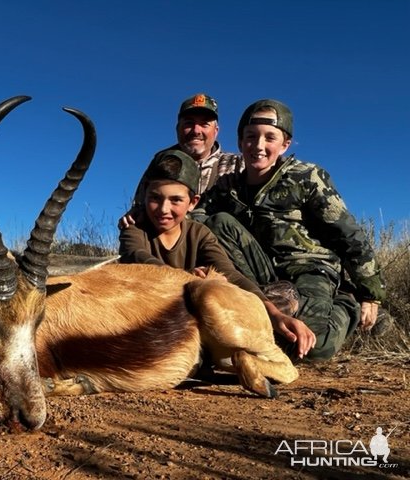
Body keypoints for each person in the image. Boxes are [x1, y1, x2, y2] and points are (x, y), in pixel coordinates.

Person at [195, 99, 386, 360]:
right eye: (250, 137)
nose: (259, 146)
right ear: (240, 142)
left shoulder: (307, 177)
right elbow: (194, 220)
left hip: (310, 270)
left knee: (314, 349)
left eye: (269, 137)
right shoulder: (227, 186)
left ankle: (345, 300)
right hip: (265, 274)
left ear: (285, 144)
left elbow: (348, 234)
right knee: (218, 223)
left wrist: (370, 295)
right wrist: (142, 220)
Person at [119, 149, 316, 359]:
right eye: (155, 198)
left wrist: (274, 314)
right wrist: (188, 278)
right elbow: (137, 257)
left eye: (176, 200)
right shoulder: (135, 230)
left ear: (193, 202)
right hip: (151, 316)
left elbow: (230, 273)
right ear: (144, 195)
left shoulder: (199, 233)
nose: (163, 209)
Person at [119, 93, 242, 229]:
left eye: (204, 124)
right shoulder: (161, 161)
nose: (196, 130)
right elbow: (140, 204)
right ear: (178, 129)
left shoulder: (236, 164)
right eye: (189, 123)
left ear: (216, 131)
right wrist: (135, 214)